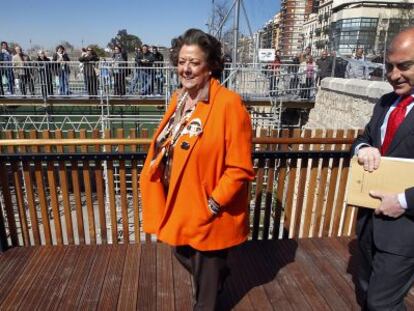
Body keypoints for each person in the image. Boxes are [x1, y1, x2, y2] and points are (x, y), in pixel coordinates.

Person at [139, 28, 254, 310]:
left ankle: (212, 283)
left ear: (211, 65)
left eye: (194, 62)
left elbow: (240, 166)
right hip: (180, 202)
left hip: (209, 208)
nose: (185, 69)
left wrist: (214, 203)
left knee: (204, 299)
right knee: (180, 249)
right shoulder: (179, 99)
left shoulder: (229, 104)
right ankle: (218, 274)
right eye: (181, 62)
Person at [352, 27, 414, 310]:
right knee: (366, 293)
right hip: (368, 223)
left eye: (404, 66)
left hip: (405, 230)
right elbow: (363, 137)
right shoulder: (385, 102)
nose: (393, 74)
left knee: (382, 303)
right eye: (389, 66)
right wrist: (364, 149)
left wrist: (402, 201)